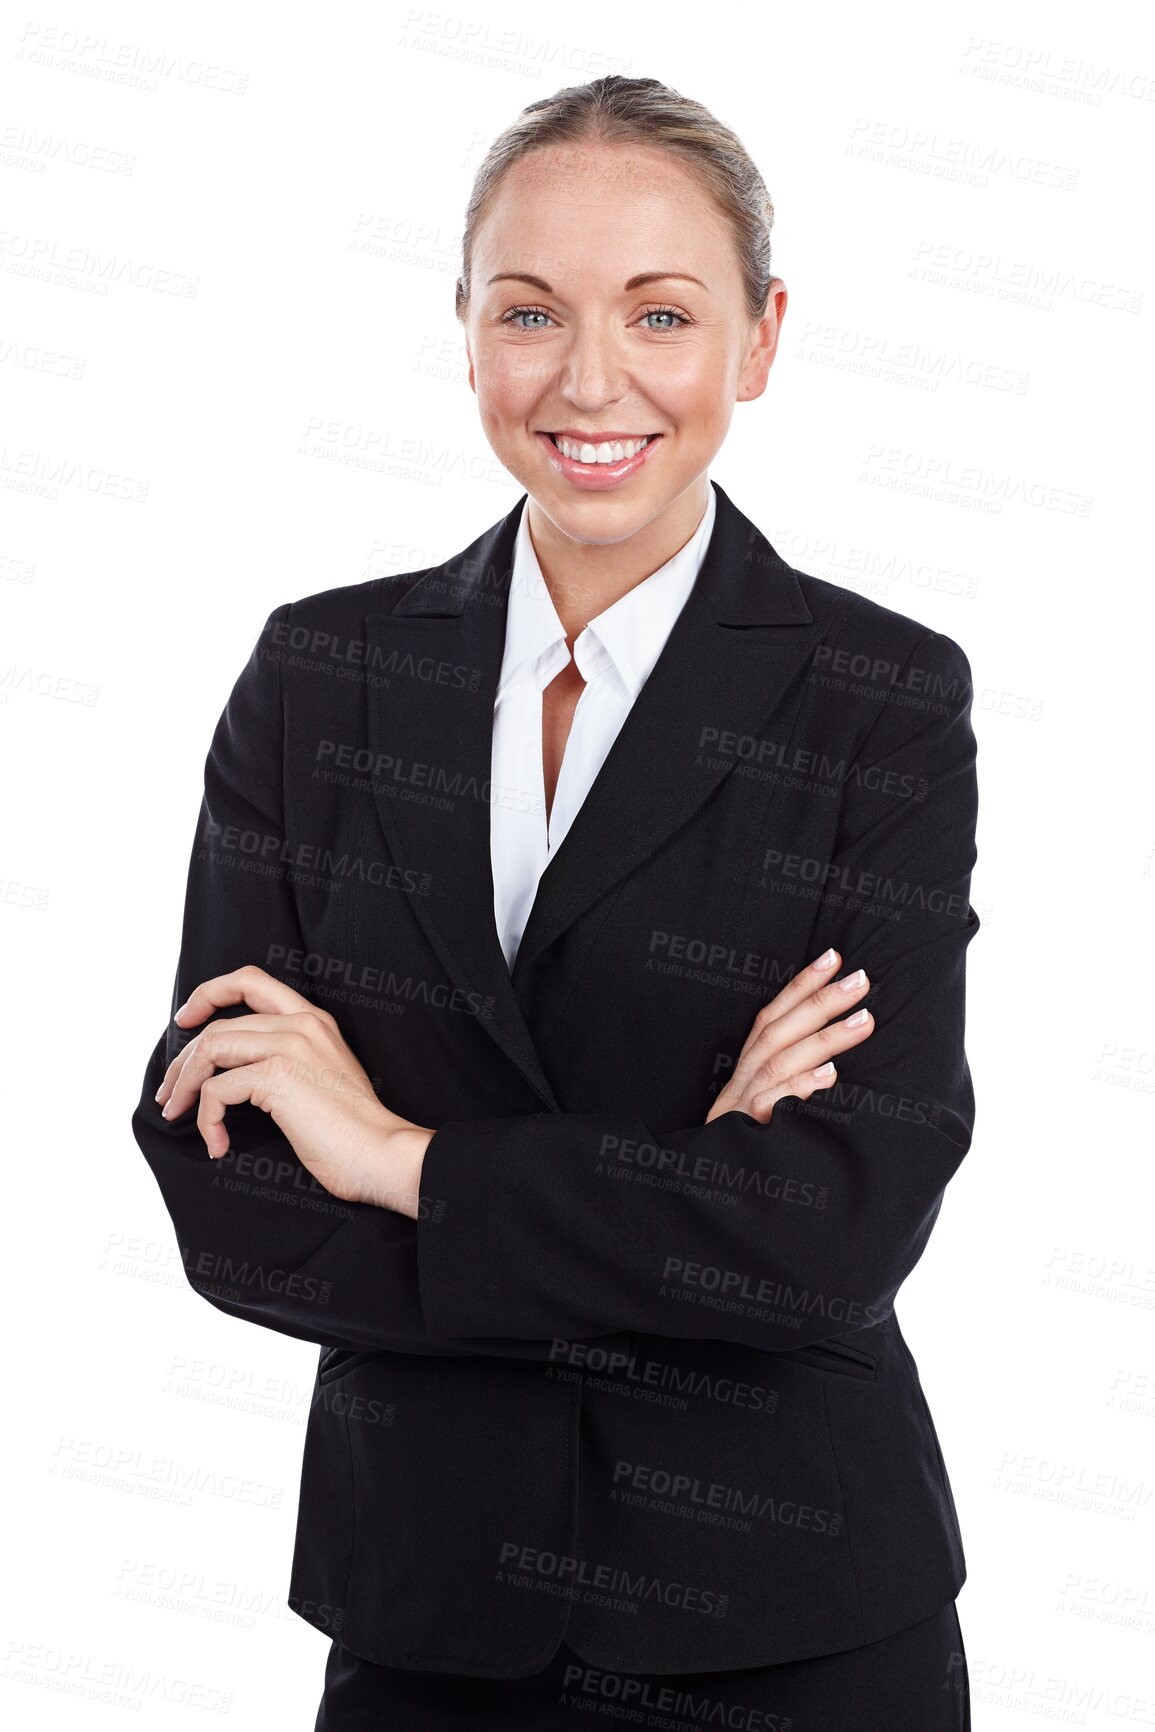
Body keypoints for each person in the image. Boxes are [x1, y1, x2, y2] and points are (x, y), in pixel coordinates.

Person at [132, 74, 978, 1730]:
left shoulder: (875, 698)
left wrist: (397, 1162)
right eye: (530, 312)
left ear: (760, 338)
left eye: (661, 313)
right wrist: (686, 1191)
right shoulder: (322, 678)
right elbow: (219, 1177)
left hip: (793, 1618)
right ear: (465, 332)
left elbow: (842, 1217)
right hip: (427, 1617)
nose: (591, 381)